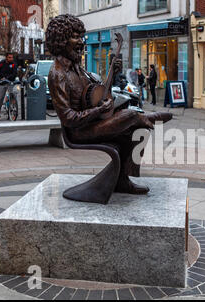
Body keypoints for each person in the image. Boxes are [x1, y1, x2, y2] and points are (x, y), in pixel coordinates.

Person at [47, 14, 172, 194]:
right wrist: (98, 110)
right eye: (75, 37)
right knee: (130, 116)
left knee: (138, 132)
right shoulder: (58, 74)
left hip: (94, 122)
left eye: (81, 37)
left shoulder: (79, 69)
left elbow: (96, 95)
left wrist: (112, 76)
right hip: (79, 131)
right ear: (61, 40)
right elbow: (68, 119)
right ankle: (143, 118)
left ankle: (122, 180)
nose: (81, 42)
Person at [0, 52, 17, 121]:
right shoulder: (1, 63)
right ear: (6, 57)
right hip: (2, 83)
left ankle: (12, 110)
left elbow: (15, 74)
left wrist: (7, 78)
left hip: (10, 82)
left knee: (13, 96)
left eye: (12, 57)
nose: (11, 59)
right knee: (0, 98)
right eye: (9, 57)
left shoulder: (14, 64)